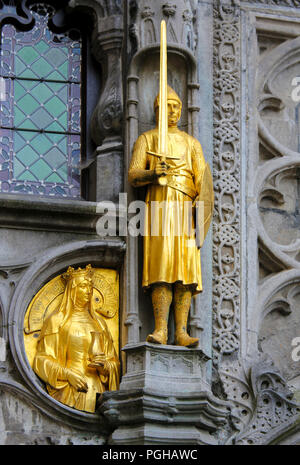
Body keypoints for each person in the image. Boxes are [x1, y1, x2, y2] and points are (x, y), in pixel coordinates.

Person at [128, 86, 209, 348]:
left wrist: (201, 211)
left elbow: (204, 181)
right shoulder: (147, 139)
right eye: (167, 106)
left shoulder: (191, 143)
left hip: (185, 208)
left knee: (184, 271)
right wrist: (153, 174)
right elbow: (133, 174)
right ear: (157, 110)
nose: (173, 111)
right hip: (159, 206)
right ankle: (161, 328)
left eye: (176, 106)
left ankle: (181, 331)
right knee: (161, 267)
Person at [33, 264, 119, 413]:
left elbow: (114, 362)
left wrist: (105, 367)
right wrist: (67, 374)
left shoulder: (100, 323)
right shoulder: (57, 321)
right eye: (84, 286)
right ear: (72, 290)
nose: (89, 290)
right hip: (69, 389)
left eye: (90, 286)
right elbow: (41, 360)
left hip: (97, 391)